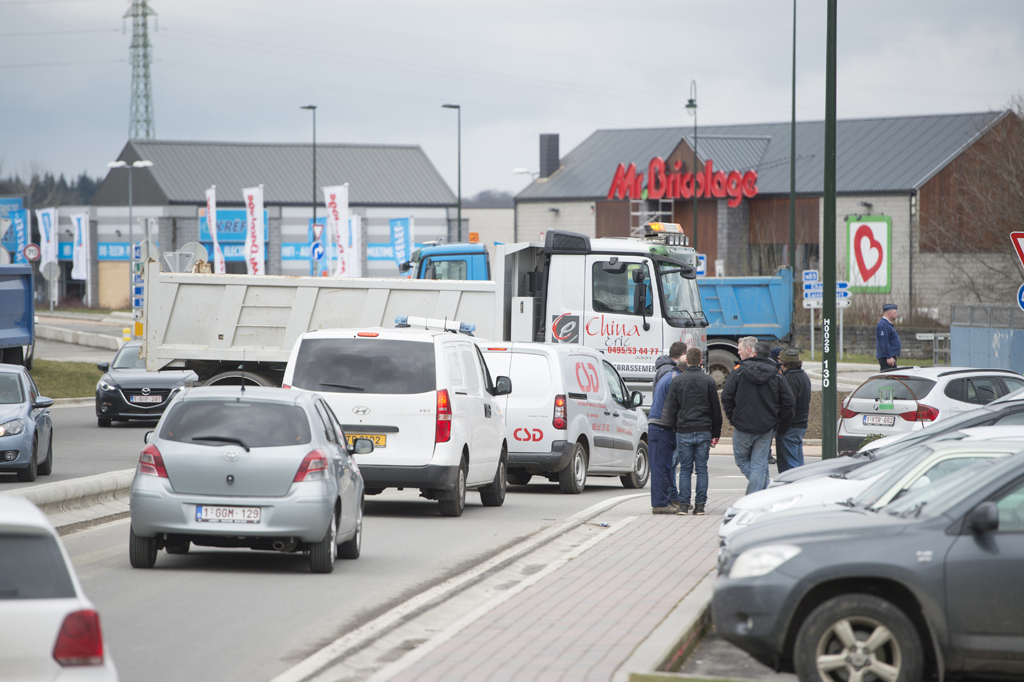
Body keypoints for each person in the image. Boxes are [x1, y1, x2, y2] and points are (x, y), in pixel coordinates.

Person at [721, 337, 794, 495]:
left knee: (742, 460)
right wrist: (778, 422)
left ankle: (754, 497)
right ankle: (762, 489)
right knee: (759, 465)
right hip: (766, 427)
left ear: (753, 352)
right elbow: (789, 402)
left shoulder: (739, 370)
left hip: (742, 426)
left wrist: (733, 417)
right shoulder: (776, 374)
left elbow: (726, 396)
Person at [662, 346, 722, 516]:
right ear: (701, 361)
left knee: (685, 469)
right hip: (704, 429)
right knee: (702, 469)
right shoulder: (709, 381)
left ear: (686, 360)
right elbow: (715, 410)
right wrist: (715, 433)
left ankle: (683, 505)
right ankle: (700, 506)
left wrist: (675, 428)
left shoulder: (677, 381)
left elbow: (672, 409)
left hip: (684, 429)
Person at [646, 351, 684, 514]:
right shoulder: (674, 378)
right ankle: (660, 503)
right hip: (662, 427)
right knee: (660, 467)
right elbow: (677, 406)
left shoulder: (669, 376)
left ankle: (664, 500)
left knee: (663, 466)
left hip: (660, 426)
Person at [775, 348, 811, 473]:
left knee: (790, 468)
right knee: (798, 464)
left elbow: (788, 405)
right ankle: (803, 488)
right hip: (800, 424)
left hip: (790, 426)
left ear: (782, 362)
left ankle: (795, 490)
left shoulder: (790, 379)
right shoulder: (803, 375)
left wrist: (781, 428)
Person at [876, 303, 901, 370]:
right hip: (887, 357)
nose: (897, 315)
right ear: (889, 314)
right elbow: (884, 342)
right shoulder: (884, 324)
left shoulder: (886, 324)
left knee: (888, 378)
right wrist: (889, 357)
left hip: (889, 356)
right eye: (895, 313)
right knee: (890, 378)